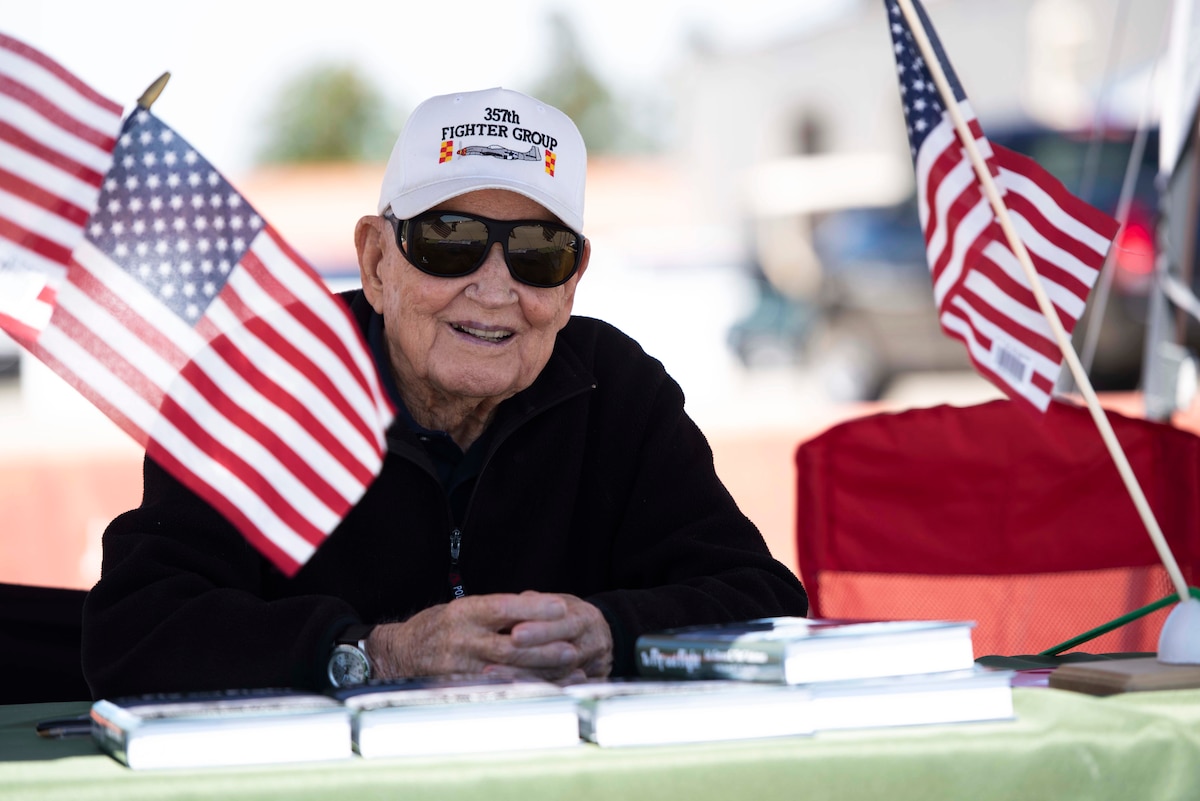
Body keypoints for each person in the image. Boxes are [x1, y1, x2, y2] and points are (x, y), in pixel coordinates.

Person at [81, 87, 808, 698]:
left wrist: (608, 632)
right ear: (375, 261)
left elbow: (761, 599)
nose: (494, 289)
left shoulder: (616, 388)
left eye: (536, 251)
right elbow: (133, 632)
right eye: (449, 239)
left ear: (572, 278)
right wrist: (373, 654)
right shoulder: (260, 383)